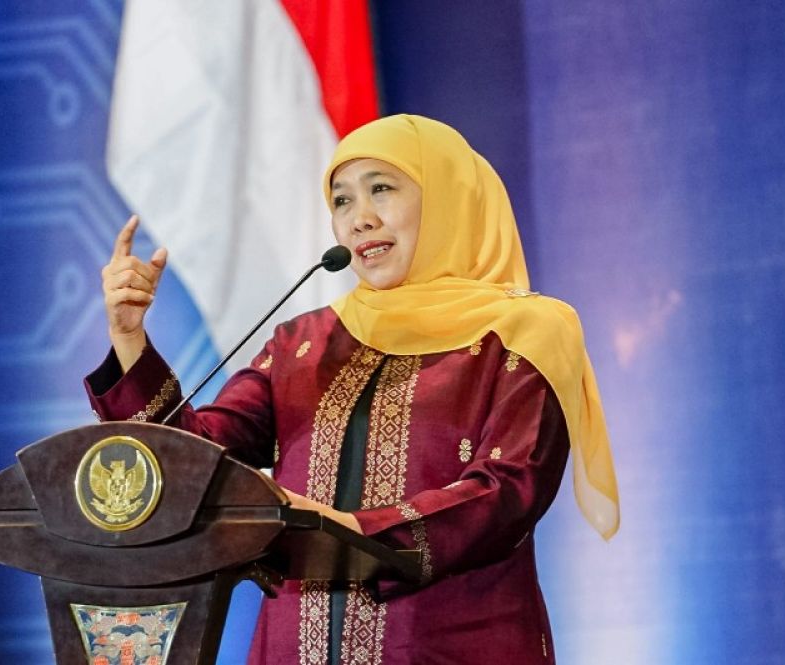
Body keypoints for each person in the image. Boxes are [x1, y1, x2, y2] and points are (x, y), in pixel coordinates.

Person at [86, 114, 619, 664]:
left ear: (447, 196)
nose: (360, 219)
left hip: (450, 646)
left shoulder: (524, 331)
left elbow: (507, 492)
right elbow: (190, 460)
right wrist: (130, 338)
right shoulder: (304, 342)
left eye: (381, 189)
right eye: (342, 201)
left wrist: (350, 532)